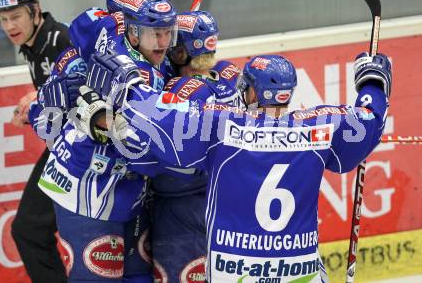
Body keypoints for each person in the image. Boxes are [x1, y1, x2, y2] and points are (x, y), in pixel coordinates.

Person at [81, 50, 391, 282]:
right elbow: (367, 122)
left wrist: (131, 88)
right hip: (300, 272)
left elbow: (163, 121)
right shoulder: (320, 127)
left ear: (253, 91)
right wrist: (373, 84)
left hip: (234, 271)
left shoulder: (222, 125)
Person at [27, 0, 180, 282]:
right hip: (86, 191)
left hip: (129, 193)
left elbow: (88, 22)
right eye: (155, 33)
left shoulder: (146, 55)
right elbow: (46, 120)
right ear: (132, 31)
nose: (163, 42)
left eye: (168, 32)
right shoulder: (110, 67)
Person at [148, 9, 241, 282]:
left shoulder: (178, 89)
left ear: (178, 53)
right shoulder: (230, 76)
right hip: (223, 199)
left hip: (178, 207)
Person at [0, 0, 70, 283]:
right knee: (28, 229)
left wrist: (43, 95)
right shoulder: (31, 46)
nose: (9, 26)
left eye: (16, 16)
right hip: (62, 148)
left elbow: (93, 85)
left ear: (35, 11)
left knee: (29, 229)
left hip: (84, 152)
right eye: (2, 19)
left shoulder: (60, 38)